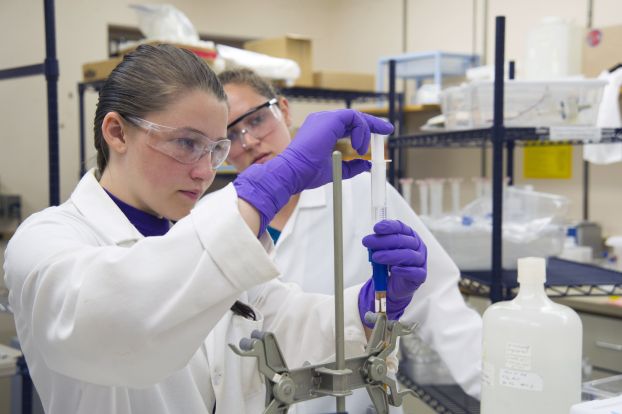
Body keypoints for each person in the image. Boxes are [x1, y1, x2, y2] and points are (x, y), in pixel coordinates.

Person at [3, 45, 429, 414]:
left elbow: (277, 320)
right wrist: (270, 186)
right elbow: (118, 322)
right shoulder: (45, 241)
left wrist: (370, 307)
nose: (206, 171)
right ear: (116, 132)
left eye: (215, 149)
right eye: (187, 144)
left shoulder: (200, 232)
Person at [217, 68, 483, 413]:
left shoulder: (359, 191)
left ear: (283, 109)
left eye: (255, 121)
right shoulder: (219, 219)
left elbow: (439, 303)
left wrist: (503, 389)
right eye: (229, 135)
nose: (248, 141)